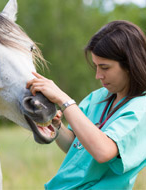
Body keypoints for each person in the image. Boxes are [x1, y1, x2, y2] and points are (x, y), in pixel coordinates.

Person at [26, 20, 146, 190]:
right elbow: (77, 148)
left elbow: (103, 151)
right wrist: (57, 126)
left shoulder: (141, 109)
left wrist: (64, 100)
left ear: (129, 64)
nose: (98, 75)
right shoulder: (99, 97)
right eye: (96, 66)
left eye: (105, 67)